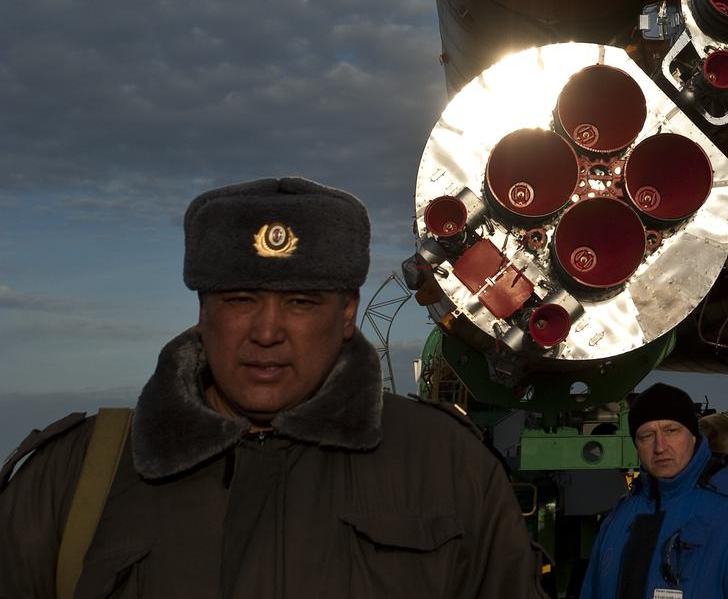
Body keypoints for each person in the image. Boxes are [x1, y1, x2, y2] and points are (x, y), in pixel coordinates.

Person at [0, 176, 546, 598]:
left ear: (349, 313)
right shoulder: (75, 478)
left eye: (300, 303)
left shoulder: (445, 466)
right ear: (203, 310)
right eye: (239, 300)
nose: (266, 333)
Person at [580, 383, 728, 599]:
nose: (660, 447)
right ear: (637, 445)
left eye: (671, 431)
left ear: (694, 437)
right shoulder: (620, 517)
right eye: (647, 435)